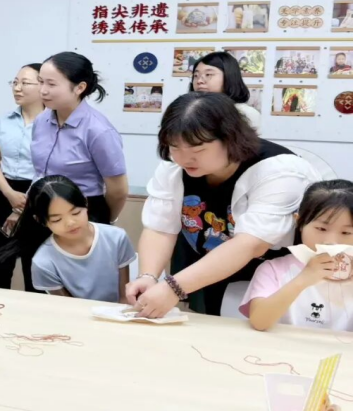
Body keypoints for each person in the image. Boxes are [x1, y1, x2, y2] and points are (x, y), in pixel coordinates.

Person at [126, 92, 319, 318]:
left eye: (198, 150)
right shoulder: (174, 167)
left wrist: (173, 288)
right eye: (174, 147)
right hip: (212, 271)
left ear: (230, 138)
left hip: (281, 278)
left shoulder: (280, 170)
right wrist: (148, 276)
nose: (184, 159)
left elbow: (251, 244)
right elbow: (160, 228)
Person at [241, 180, 353, 332]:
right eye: (321, 228)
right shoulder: (274, 269)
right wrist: (304, 279)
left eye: (346, 232)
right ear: (300, 223)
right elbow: (259, 322)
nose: (331, 242)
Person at [30, 52, 128, 225]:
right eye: (40, 81)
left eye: (51, 84)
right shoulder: (41, 120)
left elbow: (118, 191)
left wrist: (105, 223)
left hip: (80, 214)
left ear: (79, 88)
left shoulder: (99, 131)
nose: (43, 90)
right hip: (42, 209)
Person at [12, 176, 136, 302]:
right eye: (57, 219)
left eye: (76, 213)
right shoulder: (43, 262)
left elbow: (124, 298)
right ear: (40, 220)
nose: (70, 223)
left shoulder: (116, 238)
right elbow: (68, 307)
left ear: (85, 203)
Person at [0, 63, 44, 292]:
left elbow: (48, 167)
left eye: (25, 83)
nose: (17, 88)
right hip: (3, 192)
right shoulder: (5, 120)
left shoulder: (52, 123)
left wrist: (21, 207)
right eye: (15, 82)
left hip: (38, 195)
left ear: (42, 86)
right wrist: (9, 193)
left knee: (35, 266)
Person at [190, 51, 261, 134]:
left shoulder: (245, 113)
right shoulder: (189, 110)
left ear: (229, 76)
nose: (199, 81)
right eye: (196, 75)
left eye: (208, 74)